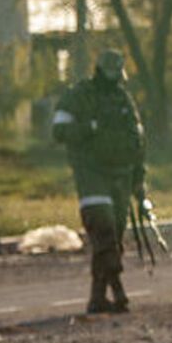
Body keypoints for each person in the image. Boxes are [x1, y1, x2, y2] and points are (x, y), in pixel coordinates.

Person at [52, 50, 146, 314]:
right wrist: (89, 128)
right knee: (103, 230)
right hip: (91, 173)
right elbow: (58, 131)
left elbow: (137, 142)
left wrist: (139, 181)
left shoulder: (123, 99)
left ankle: (97, 297)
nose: (116, 77)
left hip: (121, 176)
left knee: (112, 238)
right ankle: (118, 291)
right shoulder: (79, 96)